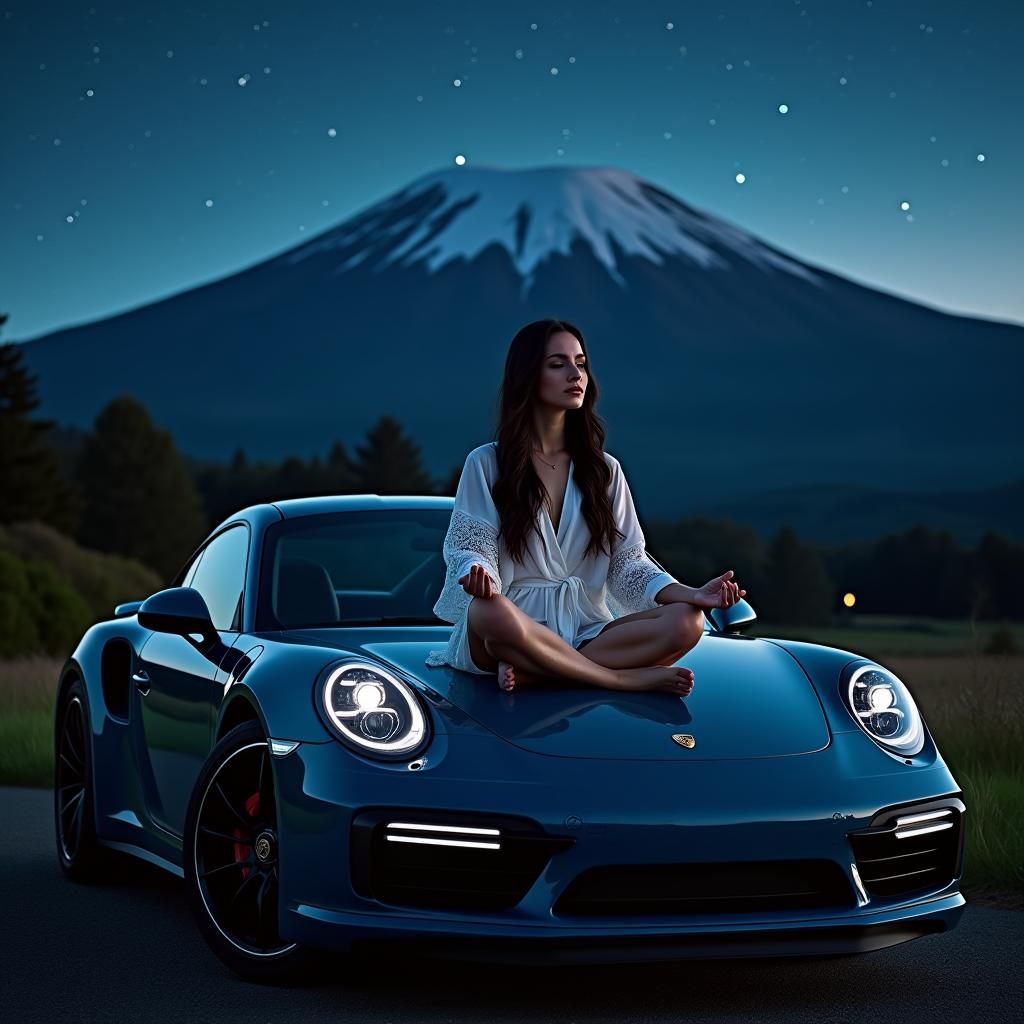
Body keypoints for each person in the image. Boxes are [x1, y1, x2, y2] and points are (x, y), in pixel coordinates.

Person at [425, 318, 746, 695]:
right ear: (528, 375)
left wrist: (691, 593)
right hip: (513, 630)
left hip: (585, 631)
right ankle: (616, 678)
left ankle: (543, 672)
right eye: (557, 364)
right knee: (485, 611)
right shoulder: (487, 463)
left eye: (580, 363)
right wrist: (477, 572)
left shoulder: (605, 471)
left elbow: (629, 564)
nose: (575, 374)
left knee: (687, 622)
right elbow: (471, 546)